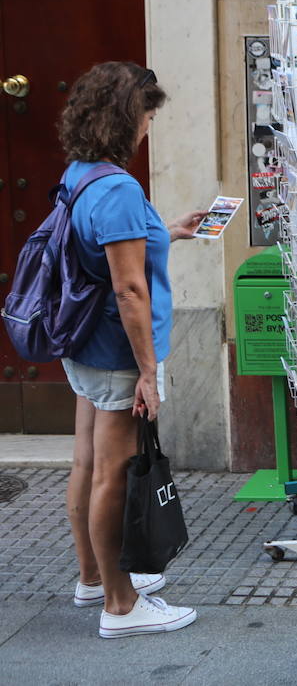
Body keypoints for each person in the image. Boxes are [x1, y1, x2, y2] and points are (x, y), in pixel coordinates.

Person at [56, 62, 207, 638]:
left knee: (87, 463)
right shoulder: (119, 187)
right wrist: (148, 372)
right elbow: (129, 287)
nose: (149, 127)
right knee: (113, 473)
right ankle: (121, 605)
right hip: (120, 351)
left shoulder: (82, 174)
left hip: (85, 342)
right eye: (146, 116)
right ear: (125, 119)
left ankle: (93, 578)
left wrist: (165, 230)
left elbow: (107, 251)